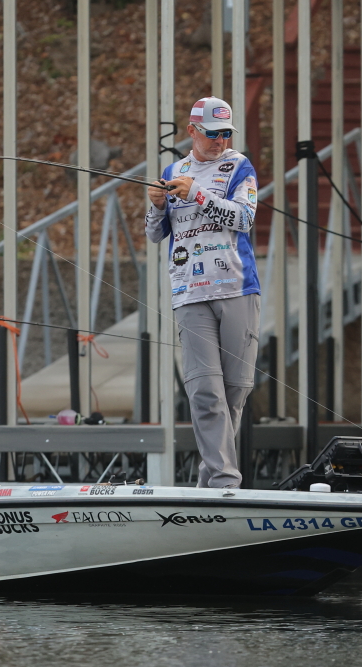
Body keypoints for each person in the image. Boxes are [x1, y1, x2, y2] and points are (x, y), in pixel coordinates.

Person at [145, 96, 260, 489]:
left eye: (226, 133)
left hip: (237, 287)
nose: (220, 140)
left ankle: (208, 480)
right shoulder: (172, 171)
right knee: (206, 391)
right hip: (189, 292)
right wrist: (156, 205)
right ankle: (225, 482)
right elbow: (154, 233)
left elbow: (244, 218)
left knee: (235, 390)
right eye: (212, 134)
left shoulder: (239, 166)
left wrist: (196, 193)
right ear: (192, 131)